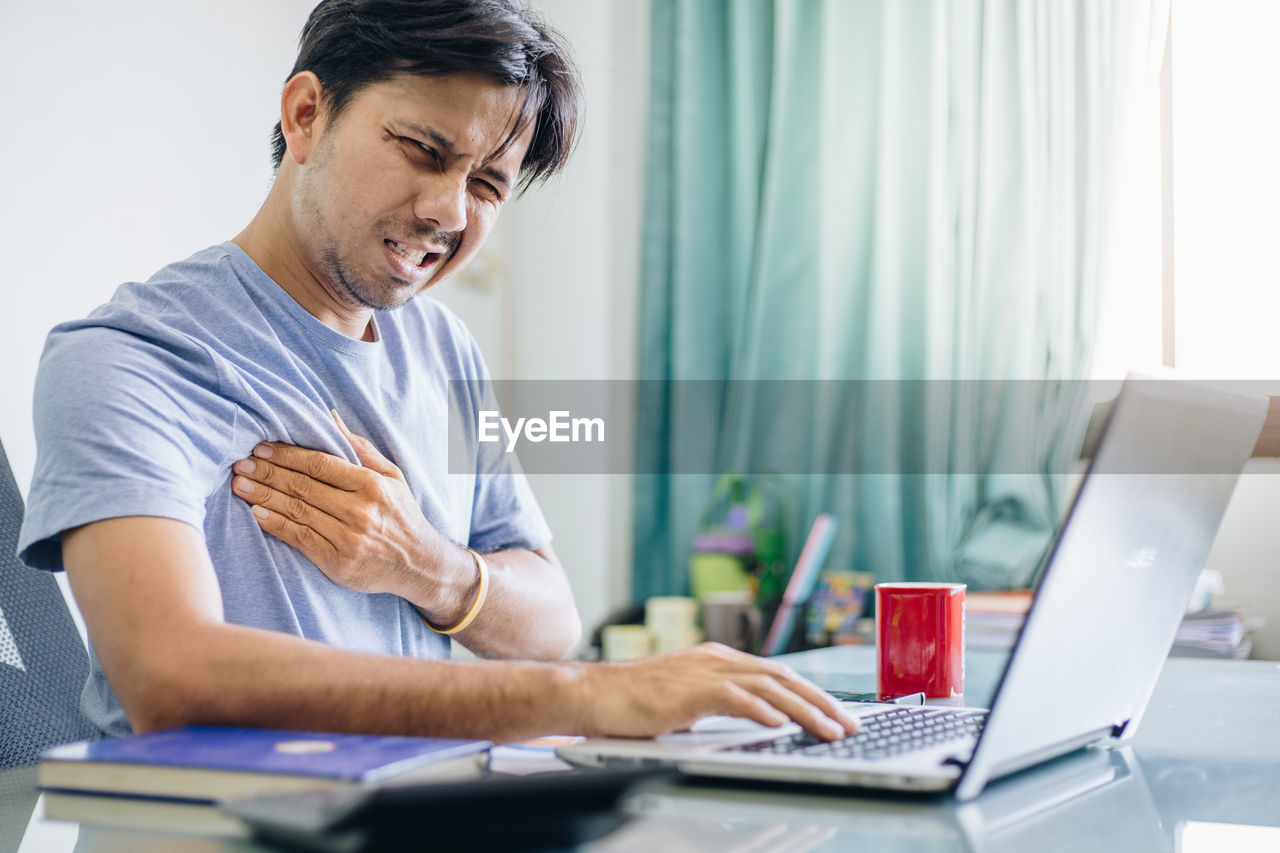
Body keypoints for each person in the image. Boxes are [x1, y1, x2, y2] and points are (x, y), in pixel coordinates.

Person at [17, 0, 856, 744]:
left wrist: (425, 564)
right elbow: (169, 676)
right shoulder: (130, 360)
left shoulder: (443, 349)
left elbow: (551, 620)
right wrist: (583, 696)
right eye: (423, 149)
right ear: (307, 115)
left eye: (487, 183)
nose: (450, 212)